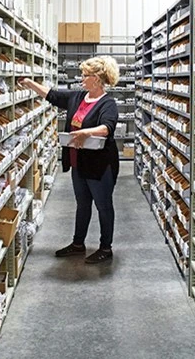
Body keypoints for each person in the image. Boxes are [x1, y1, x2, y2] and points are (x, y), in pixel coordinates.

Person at [19, 56, 120, 264]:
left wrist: (86, 132)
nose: (81, 78)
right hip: (78, 163)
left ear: (97, 79)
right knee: (82, 204)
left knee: (103, 206)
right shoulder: (78, 97)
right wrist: (29, 83)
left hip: (100, 165)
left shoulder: (108, 103)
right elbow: (52, 95)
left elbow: (107, 128)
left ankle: (105, 247)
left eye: (85, 75)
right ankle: (78, 244)